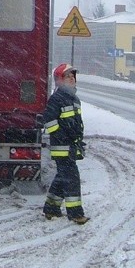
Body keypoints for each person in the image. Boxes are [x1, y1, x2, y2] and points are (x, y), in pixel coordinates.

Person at [42, 63, 89, 224]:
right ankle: (76, 213)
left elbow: (76, 124)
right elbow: (49, 121)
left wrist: (78, 141)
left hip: (71, 146)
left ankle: (51, 209)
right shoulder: (57, 98)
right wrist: (62, 137)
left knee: (62, 177)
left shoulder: (74, 98)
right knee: (72, 179)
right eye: (67, 76)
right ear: (59, 80)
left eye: (72, 76)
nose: (71, 79)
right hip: (63, 147)